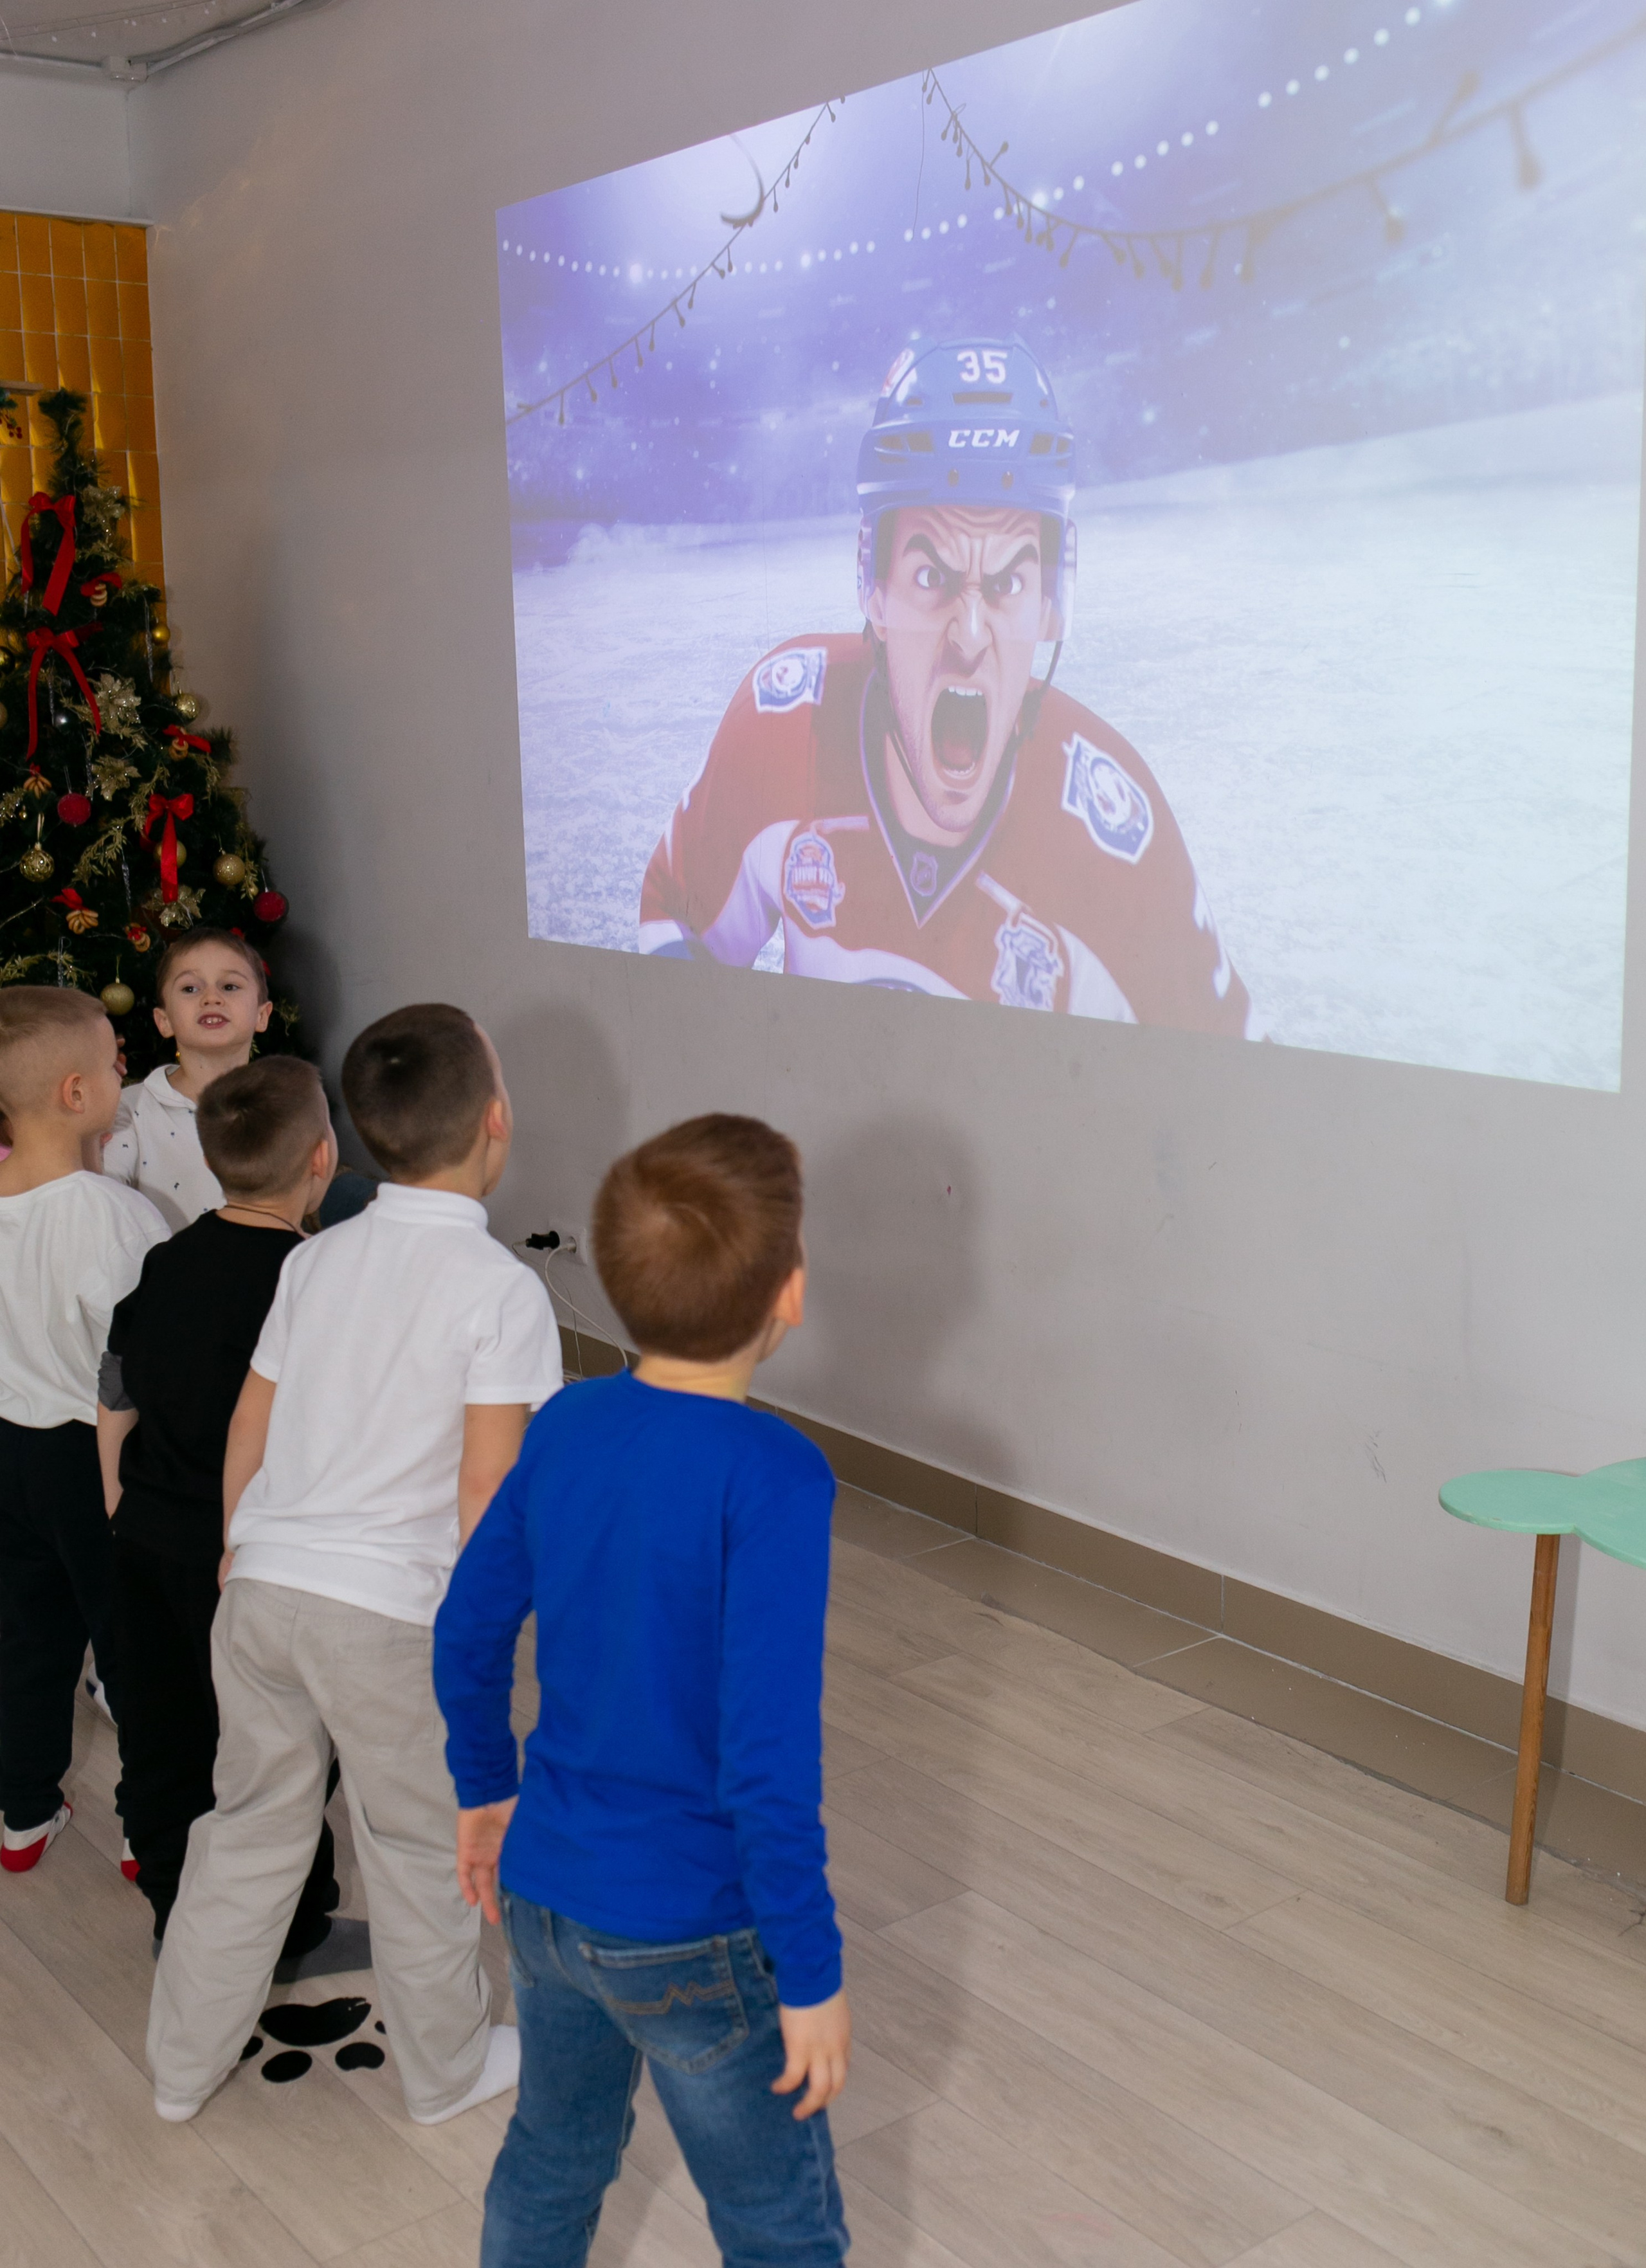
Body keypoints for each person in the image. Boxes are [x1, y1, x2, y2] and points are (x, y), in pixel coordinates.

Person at [435, 1113, 848, 2268]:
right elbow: (767, 1762)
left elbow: (467, 1627)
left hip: (548, 1898)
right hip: (694, 1929)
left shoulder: (570, 1421)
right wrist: (811, 1971)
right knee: (778, 2222)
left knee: (552, 2157)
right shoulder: (776, 1475)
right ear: (790, 1291)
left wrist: (485, 1789)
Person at [147, 1002, 561, 2125]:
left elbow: (253, 1418)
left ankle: (180, 2067)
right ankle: (445, 2069)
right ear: (496, 1120)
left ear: (358, 1137)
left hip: (265, 1590)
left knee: (247, 1830)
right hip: (388, 1617)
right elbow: (490, 1488)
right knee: (421, 1847)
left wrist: (239, 1545)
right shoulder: (502, 1291)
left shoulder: (316, 1258)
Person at [640, 336, 1256, 1035]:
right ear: (874, 588)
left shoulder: (1119, 849)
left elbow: (1232, 1076)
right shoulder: (780, 728)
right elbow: (675, 913)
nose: (968, 636)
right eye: (931, 576)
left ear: (1050, 604)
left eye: (1008, 583)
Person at [98, 1056, 368, 1978]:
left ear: (213, 1159)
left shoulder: (166, 1260)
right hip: (253, 1559)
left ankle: (178, 1916)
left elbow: (116, 1386)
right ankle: (290, 1933)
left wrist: (116, 1499)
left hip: (146, 1541)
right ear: (322, 1157)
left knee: (164, 1737)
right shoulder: (314, 1277)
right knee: (281, 1751)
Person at [0, 988, 167, 1873]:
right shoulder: (116, 1216)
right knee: (131, 1638)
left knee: (27, 1634)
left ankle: (23, 1811)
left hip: (8, 1448)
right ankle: (148, 1825)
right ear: (76, 1093)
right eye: (112, 1062)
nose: (121, 1072)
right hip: (92, 1456)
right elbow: (140, 1365)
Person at [104, 928, 275, 1230]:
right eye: (190, 989)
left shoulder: (284, 1106)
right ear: (164, 1021)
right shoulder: (129, 1109)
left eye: (230, 986)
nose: (212, 998)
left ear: (262, 1015)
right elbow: (101, 1201)